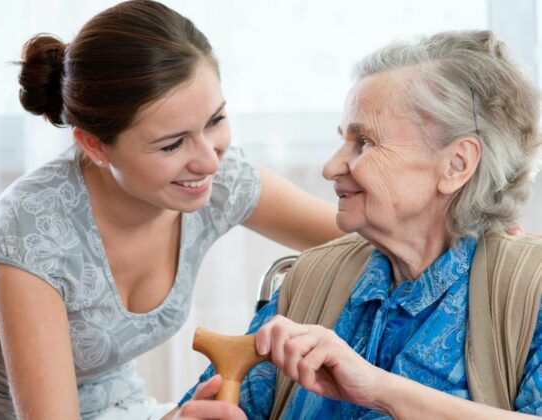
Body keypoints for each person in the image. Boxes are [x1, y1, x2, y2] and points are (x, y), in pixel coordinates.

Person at [0, 1, 344, 419]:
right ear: (94, 145)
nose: (209, 161)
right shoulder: (30, 229)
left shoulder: (220, 180)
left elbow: (361, 235)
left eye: (215, 120)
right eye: (172, 144)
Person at [174, 30, 542, 418]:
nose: (330, 167)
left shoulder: (529, 289)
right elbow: (202, 409)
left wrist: (379, 389)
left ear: (456, 165)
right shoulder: (314, 277)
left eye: (364, 141)